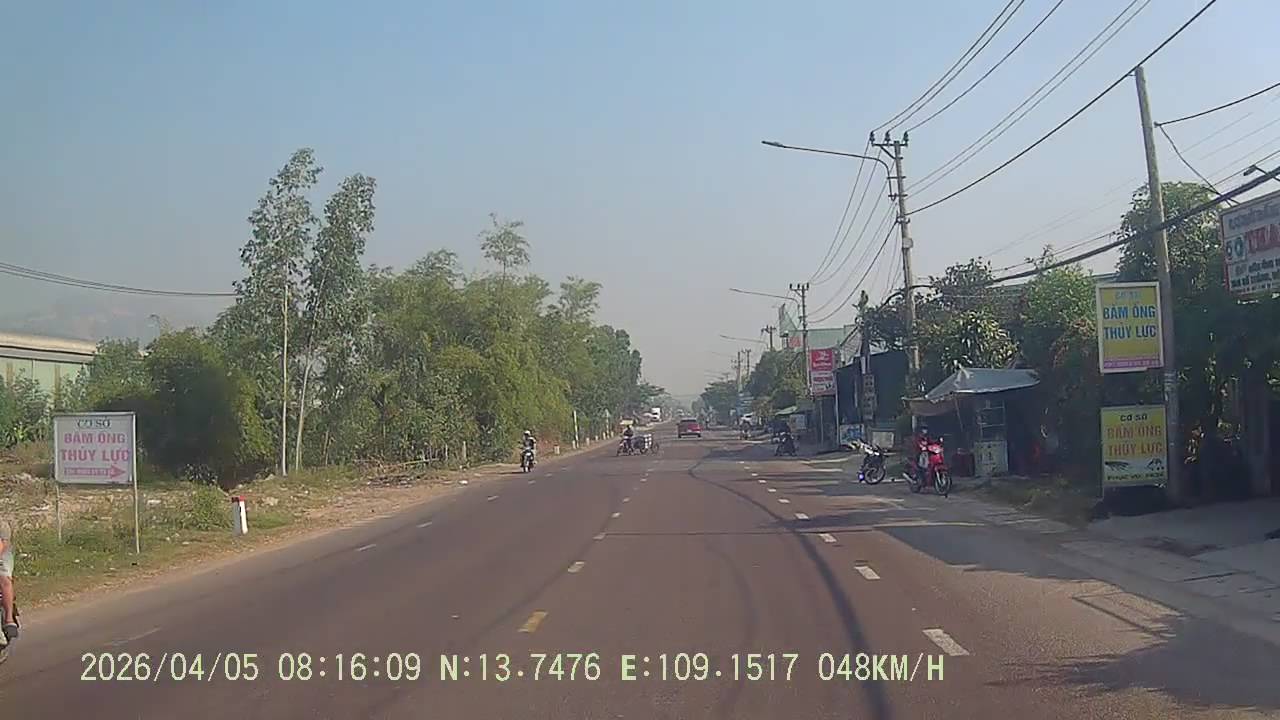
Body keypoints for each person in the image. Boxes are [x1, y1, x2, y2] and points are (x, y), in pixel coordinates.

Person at [0, 517, 17, 647]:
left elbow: (1, 546)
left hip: (2, 553)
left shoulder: (2, 525)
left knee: (3, 578)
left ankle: (9, 619)